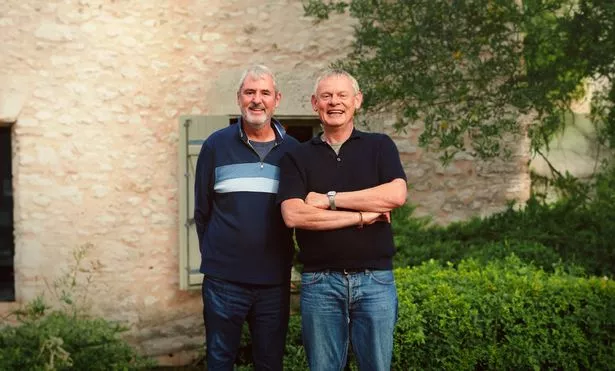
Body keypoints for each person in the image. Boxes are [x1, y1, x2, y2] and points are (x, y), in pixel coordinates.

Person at [276, 69, 407, 370]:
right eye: (326, 96)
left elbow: (397, 194)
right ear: (314, 103)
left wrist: (328, 200)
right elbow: (293, 214)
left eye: (342, 95)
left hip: (375, 280)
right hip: (320, 281)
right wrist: (362, 216)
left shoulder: (380, 146)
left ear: (357, 101)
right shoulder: (297, 156)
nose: (334, 102)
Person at [194, 64, 299, 371]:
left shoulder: (293, 151)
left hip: (273, 283)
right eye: (250, 92)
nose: (257, 100)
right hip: (223, 283)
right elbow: (202, 211)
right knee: (219, 362)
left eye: (264, 92)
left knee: (269, 363)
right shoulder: (216, 145)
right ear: (238, 98)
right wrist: (219, 259)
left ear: (276, 99)